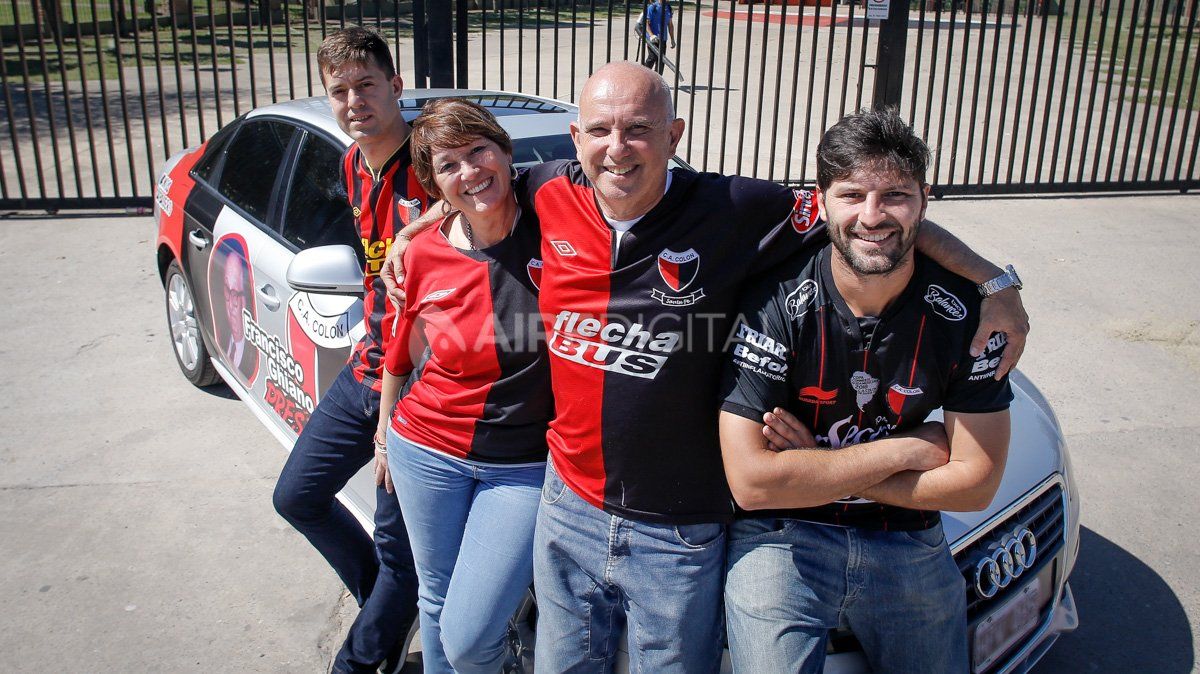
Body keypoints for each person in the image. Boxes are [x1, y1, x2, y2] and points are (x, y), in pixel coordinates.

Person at [382, 62, 1029, 672]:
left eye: (638, 129)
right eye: (601, 130)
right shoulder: (548, 188)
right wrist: (424, 225)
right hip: (567, 506)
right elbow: (473, 188)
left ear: (674, 135)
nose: (618, 148)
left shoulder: (736, 209)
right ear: (576, 138)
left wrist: (996, 283)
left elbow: (873, 220)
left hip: (679, 530)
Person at [719, 108, 1014, 673]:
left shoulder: (971, 317)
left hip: (907, 540)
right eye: (852, 195)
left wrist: (813, 468)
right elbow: (754, 485)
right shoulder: (773, 301)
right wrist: (905, 450)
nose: (872, 216)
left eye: (895, 196)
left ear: (924, 201)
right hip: (782, 538)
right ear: (821, 199)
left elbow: (975, 485)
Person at [375, 98, 551, 674]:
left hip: (523, 466)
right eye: (448, 165)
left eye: (478, 151)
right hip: (425, 450)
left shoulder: (557, 223)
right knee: (435, 598)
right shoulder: (421, 253)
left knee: (472, 635)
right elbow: (399, 353)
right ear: (435, 184)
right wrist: (382, 437)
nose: (469, 172)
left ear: (505, 152)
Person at [271, 26, 423, 674]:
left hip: (421, 386)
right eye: (340, 90)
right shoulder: (350, 163)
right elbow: (372, 266)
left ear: (396, 86)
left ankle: (361, 660)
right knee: (297, 496)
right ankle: (384, 614)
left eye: (367, 84)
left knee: (400, 552)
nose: (355, 100)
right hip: (366, 368)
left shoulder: (432, 162)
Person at [641, 0, 675, 74]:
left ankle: (658, 79)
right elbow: (646, 23)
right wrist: (651, 35)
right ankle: (644, 76)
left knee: (661, 61)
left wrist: (672, 39)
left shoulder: (668, 8)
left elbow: (670, 25)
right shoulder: (652, 7)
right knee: (652, 58)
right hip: (652, 39)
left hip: (663, 38)